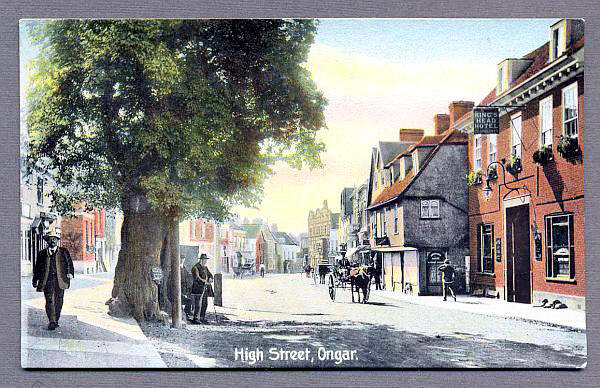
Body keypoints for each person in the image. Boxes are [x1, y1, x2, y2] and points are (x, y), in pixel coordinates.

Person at [32, 229, 74, 330]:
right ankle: (52, 321)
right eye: (50, 239)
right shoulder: (42, 253)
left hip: (61, 280)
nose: (52, 241)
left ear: (57, 240)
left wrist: (70, 273)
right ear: (47, 241)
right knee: (49, 300)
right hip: (47, 281)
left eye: (54, 239)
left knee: (59, 301)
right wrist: (35, 280)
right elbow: (37, 268)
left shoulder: (64, 251)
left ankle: (56, 319)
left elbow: (69, 263)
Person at [191, 253, 213, 323]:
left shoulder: (205, 268)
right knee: (198, 304)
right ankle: (196, 318)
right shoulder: (196, 267)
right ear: (201, 260)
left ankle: (202, 318)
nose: (205, 261)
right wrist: (204, 282)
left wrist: (210, 278)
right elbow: (197, 278)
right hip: (198, 289)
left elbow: (210, 275)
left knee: (205, 303)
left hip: (205, 288)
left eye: (206, 260)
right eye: (204, 260)